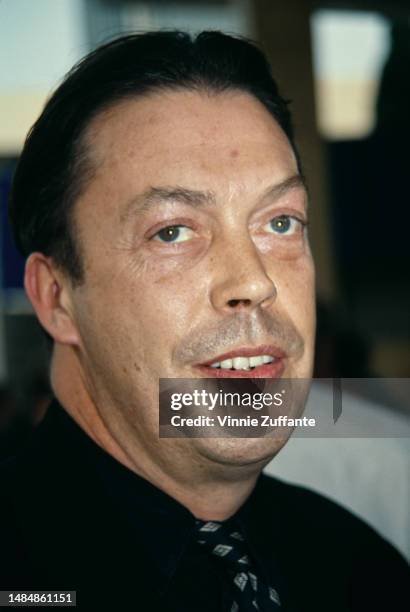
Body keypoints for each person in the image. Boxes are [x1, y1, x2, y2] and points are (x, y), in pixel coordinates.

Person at [1, 31, 408, 611]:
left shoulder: (359, 569)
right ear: (57, 297)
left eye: (281, 223)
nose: (255, 281)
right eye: (172, 231)